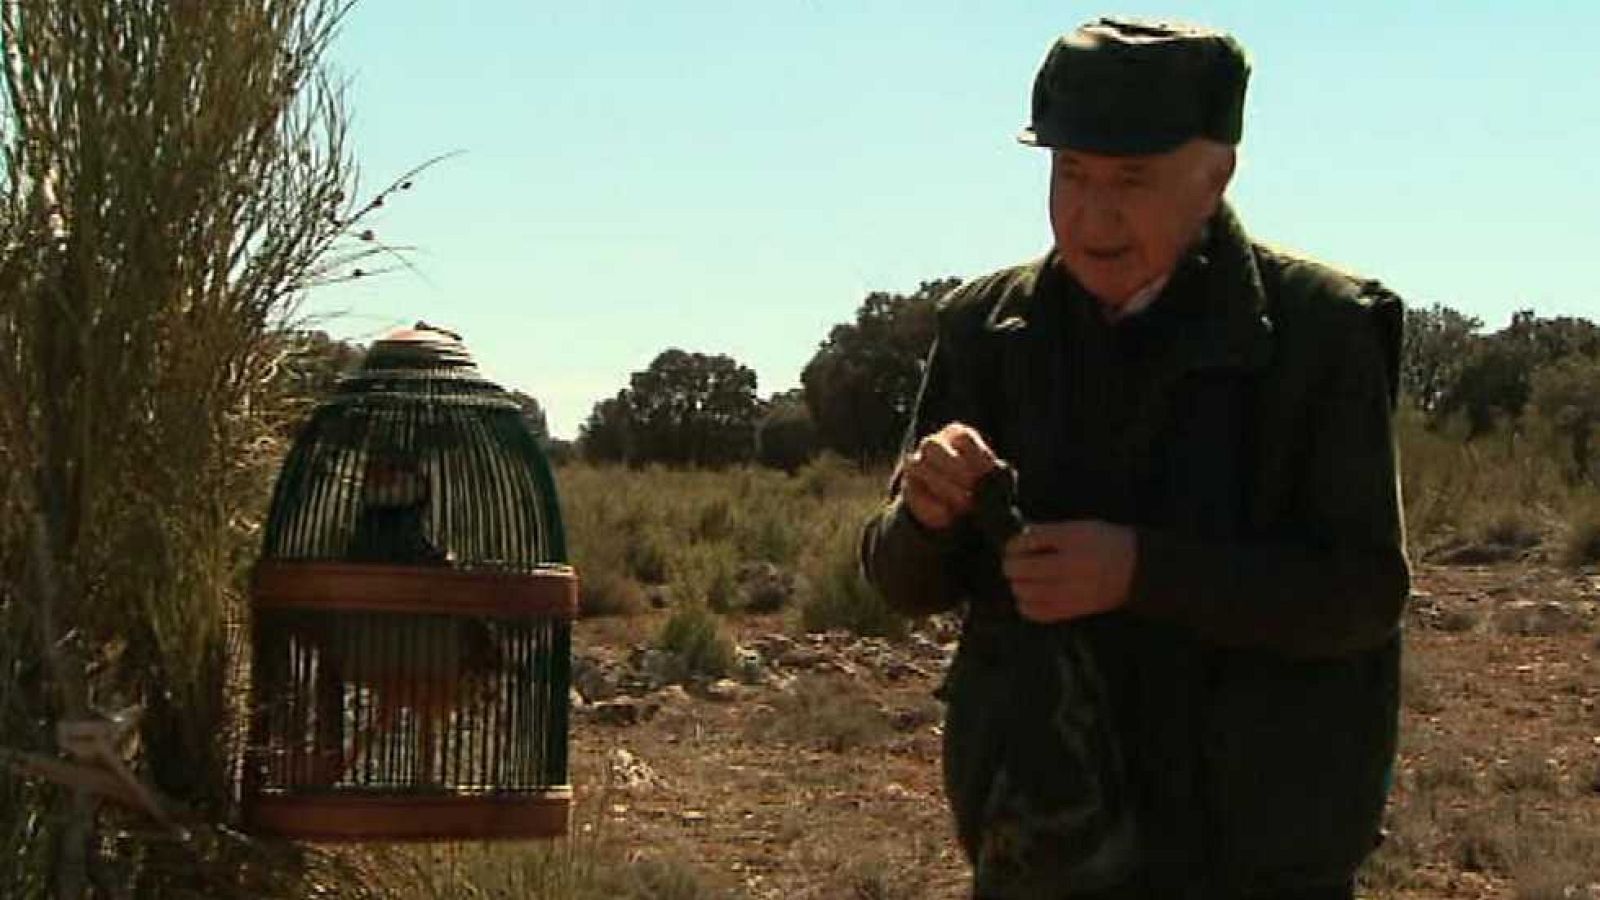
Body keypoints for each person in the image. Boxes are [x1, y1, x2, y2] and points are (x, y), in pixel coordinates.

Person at [859, 17, 1408, 900]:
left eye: (1131, 179)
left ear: (1216, 174)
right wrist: (922, 515)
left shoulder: (1323, 331)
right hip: (1043, 843)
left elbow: (1362, 593)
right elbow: (901, 580)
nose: (1092, 214)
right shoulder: (988, 329)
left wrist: (1140, 572)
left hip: (1256, 850)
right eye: (1070, 172)